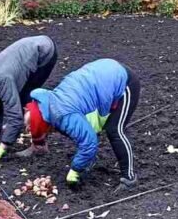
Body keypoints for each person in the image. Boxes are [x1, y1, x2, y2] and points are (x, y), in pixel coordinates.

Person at [24, 58, 140, 192]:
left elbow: (89, 141)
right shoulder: (47, 103)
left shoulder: (63, 116)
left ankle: (130, 179)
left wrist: (75, 170)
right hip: (103, 75)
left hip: (123, 81)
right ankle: (89, 160)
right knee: (89, 131)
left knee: (114, 130)